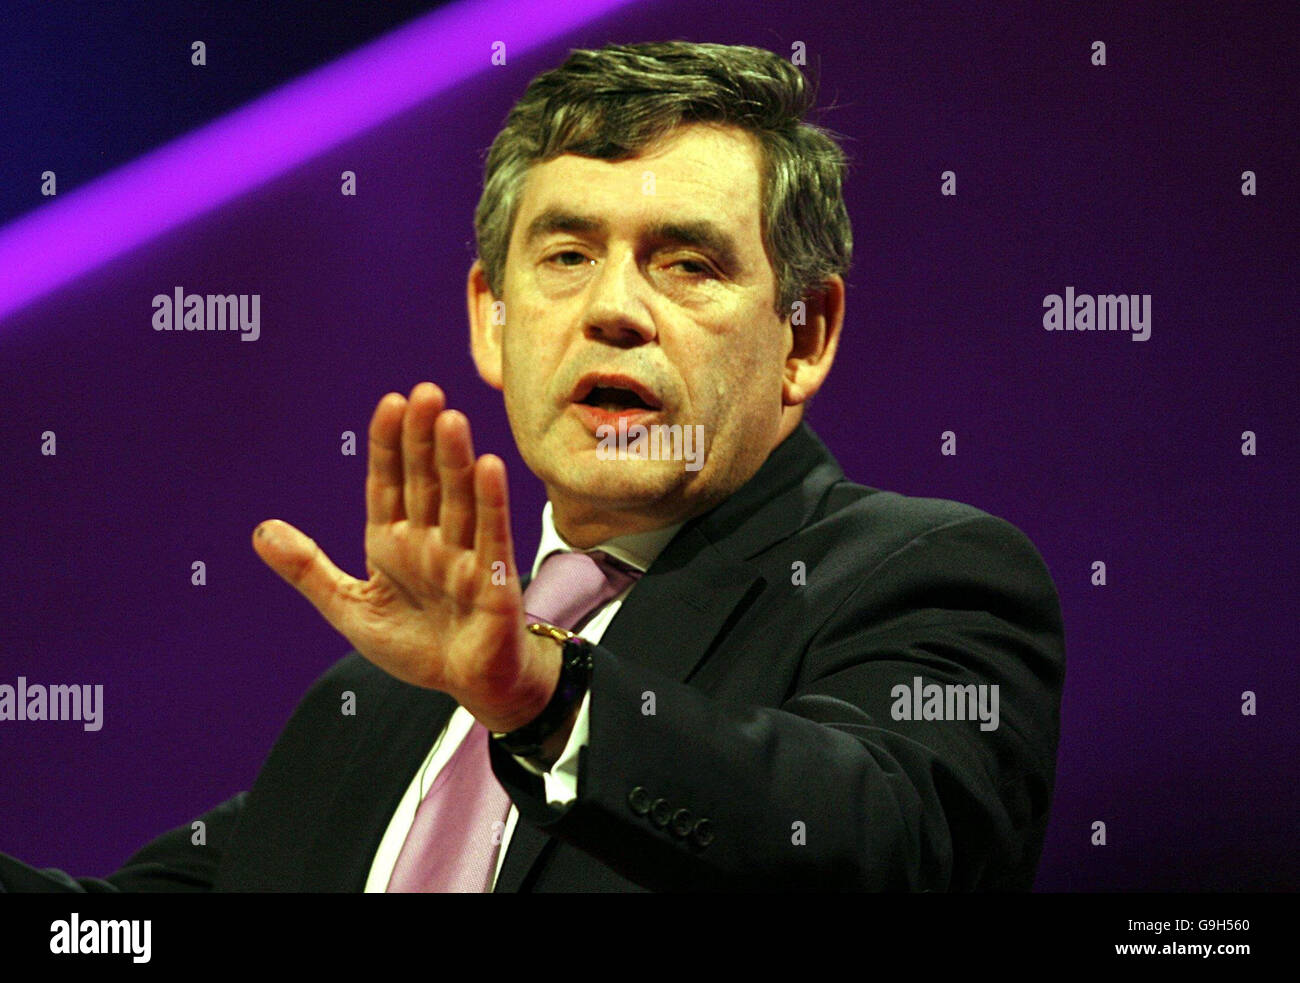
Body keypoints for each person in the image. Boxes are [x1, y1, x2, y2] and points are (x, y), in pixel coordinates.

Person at [0, 41, 1065, 893]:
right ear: (491, 320)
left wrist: (542, 697)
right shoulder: (381, 699)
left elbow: (882, 840)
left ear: (804, 335)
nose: (611, 308)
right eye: (565, 256)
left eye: (685, 262)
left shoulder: (925, 575)